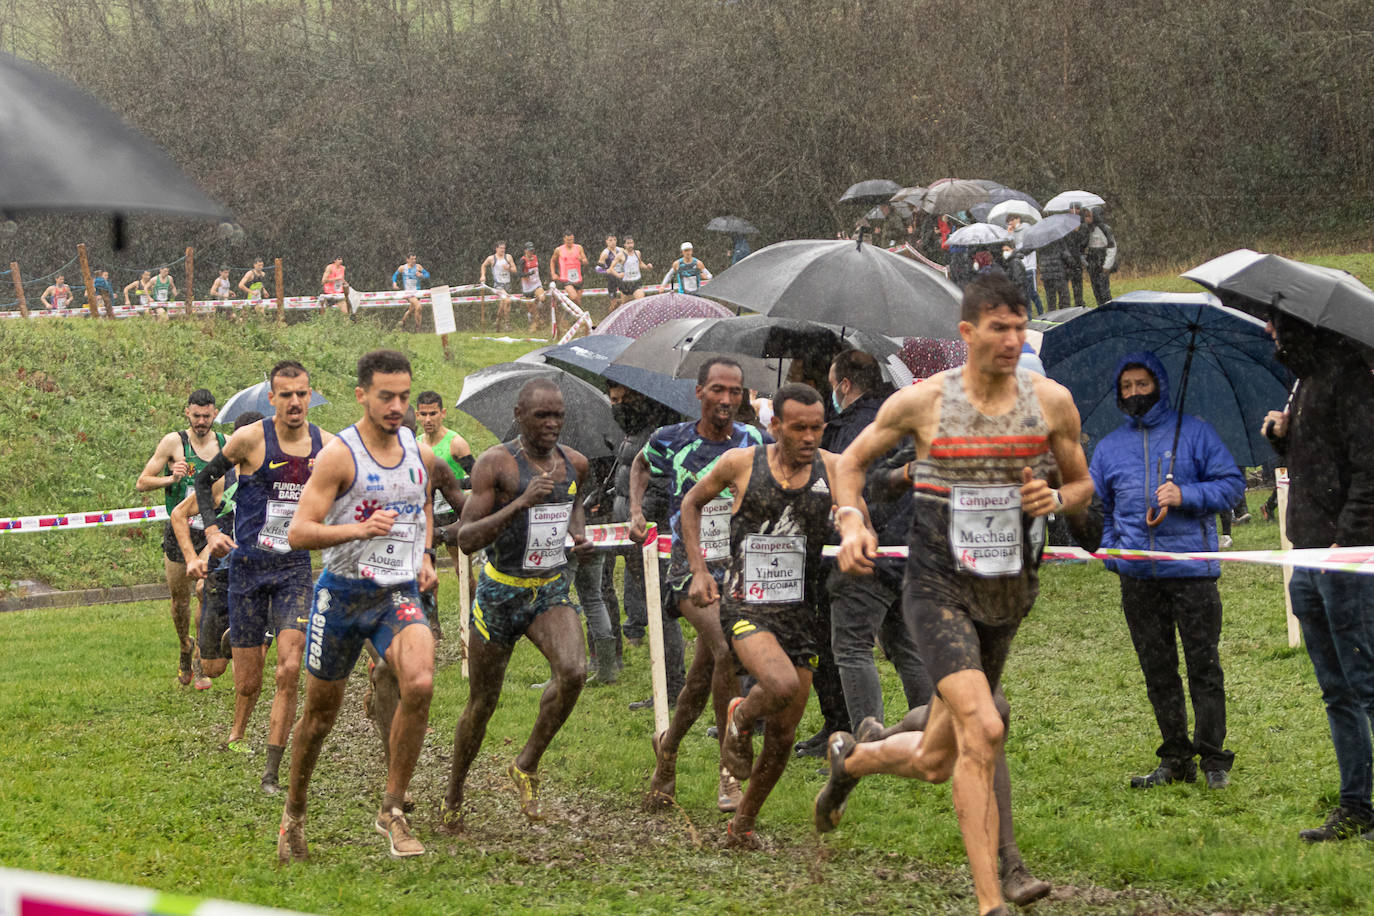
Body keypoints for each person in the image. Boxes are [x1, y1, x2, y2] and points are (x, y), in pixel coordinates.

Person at [815, 274, 1093, 916]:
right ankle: (990, 901)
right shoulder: (922, 402)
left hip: (1009, 593)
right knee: (984, 724)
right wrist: (852, 520)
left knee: (940, 758)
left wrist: (1056, 498)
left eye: (1021, 327)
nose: (1012, 339)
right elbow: (850, 464)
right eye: (999, 327)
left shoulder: (1052, 402)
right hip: (936, 588)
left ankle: (851, 764)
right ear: (966, 333)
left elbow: (1082, 484)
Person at [277, 349, 438, 861]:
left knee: (421, 681)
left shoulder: (416, 447)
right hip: (342, 596)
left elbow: (424, 501)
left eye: (404, 397)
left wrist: (426, 551)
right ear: (361, 395)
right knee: (320, 718)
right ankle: (295, 812)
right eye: (386, 396)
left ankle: (392, 809)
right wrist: (358, 528)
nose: (397, 407)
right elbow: (299, 531)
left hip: (396, 593)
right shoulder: (340, 455)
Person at [680, 383, 839, 848]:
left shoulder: (834, 467)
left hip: (802, 612)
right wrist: (698, 570)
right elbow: (691, 504)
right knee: (781, 685)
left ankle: (742, 823)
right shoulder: (741, 464)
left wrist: (854, 527)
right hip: (746, 602)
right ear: (775, 426)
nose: (809, 437)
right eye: (799, 428)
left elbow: (855, 508)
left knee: (785, 735)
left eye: (817, 427)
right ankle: (739, 716)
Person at [440, 379, 592, 830]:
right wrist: (521, 503)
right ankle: (454, 789)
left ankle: (526, 764)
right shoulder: (496, 464)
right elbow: (466, 539)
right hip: (500, 590)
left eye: (558, 416)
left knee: (575, 672)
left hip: (548, 588)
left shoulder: (575, 463)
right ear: (519, 415)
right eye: (542, 416)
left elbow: (573, 504)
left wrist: (577, 535)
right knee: (483, 703)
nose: (551, 424)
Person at [1089, 352, 1241, 789]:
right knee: (1158, 670)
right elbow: (1099, 506)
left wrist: (1186, 494)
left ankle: (1214, 758)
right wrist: (1114, 553)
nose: (1135, 392)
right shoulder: (1108, 447)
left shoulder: (1196, 432)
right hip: (1138, 577)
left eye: (1142, 383)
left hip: (1191, 571)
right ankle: (1175, 756)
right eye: (1126, 387)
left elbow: (1231, 485)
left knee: (1203, 666)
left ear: (1159, 383)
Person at [632, 357, 768, 813]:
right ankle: (728, 771)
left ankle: (666, 753)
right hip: (689, 571)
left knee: (702, 676)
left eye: (735, 391)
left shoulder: (753, 441)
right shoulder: (671, 440)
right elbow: (640, 464)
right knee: (728, 648)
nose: (727, 399)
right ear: (699, 392)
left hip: (739, 569)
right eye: (717, 390)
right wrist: (636, 511)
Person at [192, 362, 331, 792]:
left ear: (310, 396)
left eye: (301, 394)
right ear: (272, 398)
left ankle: (272, 770)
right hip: (248, 568)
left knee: (289, 669)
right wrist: (213, 531)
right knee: (249, 680)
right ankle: (238, 728)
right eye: (285, 394)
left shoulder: (326, 446)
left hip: (293, 570)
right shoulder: (250, 439)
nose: (294, 402)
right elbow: (203, 480)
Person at [1263, 314, 1374, 842]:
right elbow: (1319, 461)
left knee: (1368, 684)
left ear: (1304, 326)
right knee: (1336, 689)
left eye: (1276, 324)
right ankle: (1355, 806)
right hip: (1306, 554)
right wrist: (1282, 438)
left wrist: (1348, 539)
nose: (1269, 333)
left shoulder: (1351, 377)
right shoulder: (1304, 381)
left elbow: (1370, 469)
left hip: (1345, 557)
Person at [822, 351, 930, 738]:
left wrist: (856, 528)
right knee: (905, 644)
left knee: (852, 645)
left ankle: (866, 737)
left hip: (869, 546)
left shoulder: (856, 428)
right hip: (910, 546)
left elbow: (854, 481)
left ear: (844, 385)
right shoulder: (897, 415)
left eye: (833, 383)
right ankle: (930, 730)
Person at [136, 388, 225, 685]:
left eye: (207, 415)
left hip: (210, 530)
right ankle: (184, 646)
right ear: (187, 412)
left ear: (214, 413)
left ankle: (200, 655)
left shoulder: (225, 444)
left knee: (204, 590)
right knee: (180, 602)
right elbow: (143, 482)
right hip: (178, 530)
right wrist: (171, 478)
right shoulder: (174, 442)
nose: (201, 421)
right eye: (196, 415)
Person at [171, 411, 265, 689]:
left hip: (263, 570)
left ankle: (247, 647)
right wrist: (191, 558)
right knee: (215, 669)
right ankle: (200, 651)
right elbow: (178, 515)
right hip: (224, 569)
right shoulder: (222, 479)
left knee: (267, 652)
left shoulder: (277, 472)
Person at [416, 390, 473, 639]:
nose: (429, 419)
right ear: (417, 415)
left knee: (464, 572)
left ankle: (473, 617)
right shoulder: (416, 443)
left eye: (433, 413)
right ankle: (433, 625)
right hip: (427, 516)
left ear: (443, 413)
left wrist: (453, 486)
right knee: (428, 573)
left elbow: (476, 478)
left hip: (453, 515)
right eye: (424, 414)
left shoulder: (455, 443)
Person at [1004, 215, 1041, 315]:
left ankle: (1041, 313)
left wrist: (1015, 251)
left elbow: (1029, 248)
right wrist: (1009, 235)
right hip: (1020, 268)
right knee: (1025, 295)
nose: (1010, 223)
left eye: (1012, 219)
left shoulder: (1027, 229)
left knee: (1033, 293)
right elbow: (1010, 251)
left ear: (1018, 219)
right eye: (1009, 221)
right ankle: (1029, 317)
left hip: (1030, 266)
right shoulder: (1012, 234)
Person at [479, 241, 518, 331]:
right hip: (498, 285)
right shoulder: (491, 258)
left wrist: (509, 268)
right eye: (501, 248)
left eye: (504, 248)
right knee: (507, 301)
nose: (503, 250)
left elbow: (515, 270)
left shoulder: (508, 257)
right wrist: (483, 275)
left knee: (503, 304)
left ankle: (497, 322)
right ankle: (507, 324)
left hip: (507, 284)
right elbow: (483, 265)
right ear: (496, 248)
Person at [1082, 208, 1117, 306]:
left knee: (1104, 290)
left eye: (1089, 216)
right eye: (1085, 216)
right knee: (1096, 290)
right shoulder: (1086, 229)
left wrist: (1107, 265)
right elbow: (1082, 246)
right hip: (1092, 263)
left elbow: (1112, 248)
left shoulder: (1105, 229)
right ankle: (1101, 308)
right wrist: (1085, 261)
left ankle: (1108, 310)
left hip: (1102, 261)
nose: (1086, 219)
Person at [391, 253, 430, 333]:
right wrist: (394, 283)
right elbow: (395, 275)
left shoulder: (418, 267)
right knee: (418, 307)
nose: (414, 261)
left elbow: (427, 275)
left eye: (415, 259)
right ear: (407, 260)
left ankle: (402, 322)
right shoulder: (402, 268)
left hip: (417, 292)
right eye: (412, 259)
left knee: (412, 309)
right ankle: (418, 329)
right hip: (408, 292)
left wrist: (421, 275)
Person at [550, 232, 589, 311]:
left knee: (578, 301)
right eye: (568, 240)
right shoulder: (559, 250)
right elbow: (552, 261)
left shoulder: (578, 248)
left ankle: (574, 317)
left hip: (577, 278)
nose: (570, 241)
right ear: (564, 239)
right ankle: (578, 315)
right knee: (573, 297)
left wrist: (582, 260)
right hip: (565, 278)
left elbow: (586, 262)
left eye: (571, 240)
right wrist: (553, 273)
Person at [609, 236, 653, 307]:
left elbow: (640, 263)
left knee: (641, 303)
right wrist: (617, 275)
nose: (630, 245)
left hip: (636, 282)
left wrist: (647, 267)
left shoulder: (637, 253)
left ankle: (641, 317)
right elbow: (611, 268)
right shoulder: (620, 255)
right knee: (624, 307)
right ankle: (616, 307)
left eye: (631, 243)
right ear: (624, 245)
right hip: (626, 284)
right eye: (628, 243)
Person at [518, 242, 548, 335]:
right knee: (532, 310)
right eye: (529, 250)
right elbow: (519, 274)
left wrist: (546, 278)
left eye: (532, 250)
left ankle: (541, 315)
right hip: (527, 287)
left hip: (536, 284)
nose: (531, 252)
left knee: (542, 297)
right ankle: (535, 322)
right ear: (525, 251)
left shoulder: (536, 258)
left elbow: (542, 269)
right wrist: (528, 274)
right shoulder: (522, 260)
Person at [1038, 238, 1070, 313]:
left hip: (1046, 275)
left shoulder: (1041, 242)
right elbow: (1067, 257)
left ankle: (1052, 317)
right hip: (1059, 274)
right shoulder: (1059, 240)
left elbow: (1040, 257)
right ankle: (1065, 317)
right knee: (1064, 299)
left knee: (1051, 300)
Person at [596, 234, 623, 308]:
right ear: (606, 242)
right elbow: (597, 269)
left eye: (614, 240)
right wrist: (605, 271)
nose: (613, 242)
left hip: (621, 276)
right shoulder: (605, 253)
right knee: (614, 305)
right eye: (610, 240)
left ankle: (620, 302)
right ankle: (612, 311)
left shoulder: (621, 250)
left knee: (626, 299)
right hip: (612, 278)